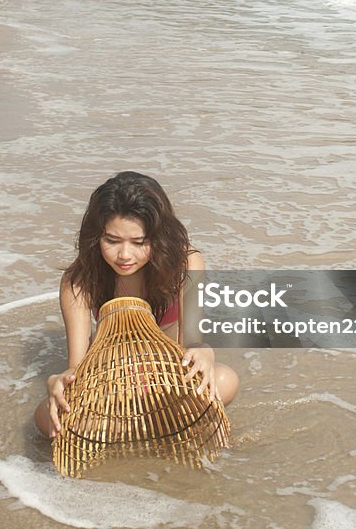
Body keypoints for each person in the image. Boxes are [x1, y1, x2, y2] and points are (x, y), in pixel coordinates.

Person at [34, 171, 238, 438]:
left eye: (139, 242)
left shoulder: (185, 264)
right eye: (112, 241)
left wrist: (204, 355)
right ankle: (158, 428)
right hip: (113, 378)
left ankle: (127, 430)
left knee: (225, 381)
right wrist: (57, 381)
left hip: (167, 377)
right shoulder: (80, 281)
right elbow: (78, 367)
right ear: (96, 237)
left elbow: (193, 343)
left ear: (159, 237)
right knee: (49, 420)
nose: (124, 255)